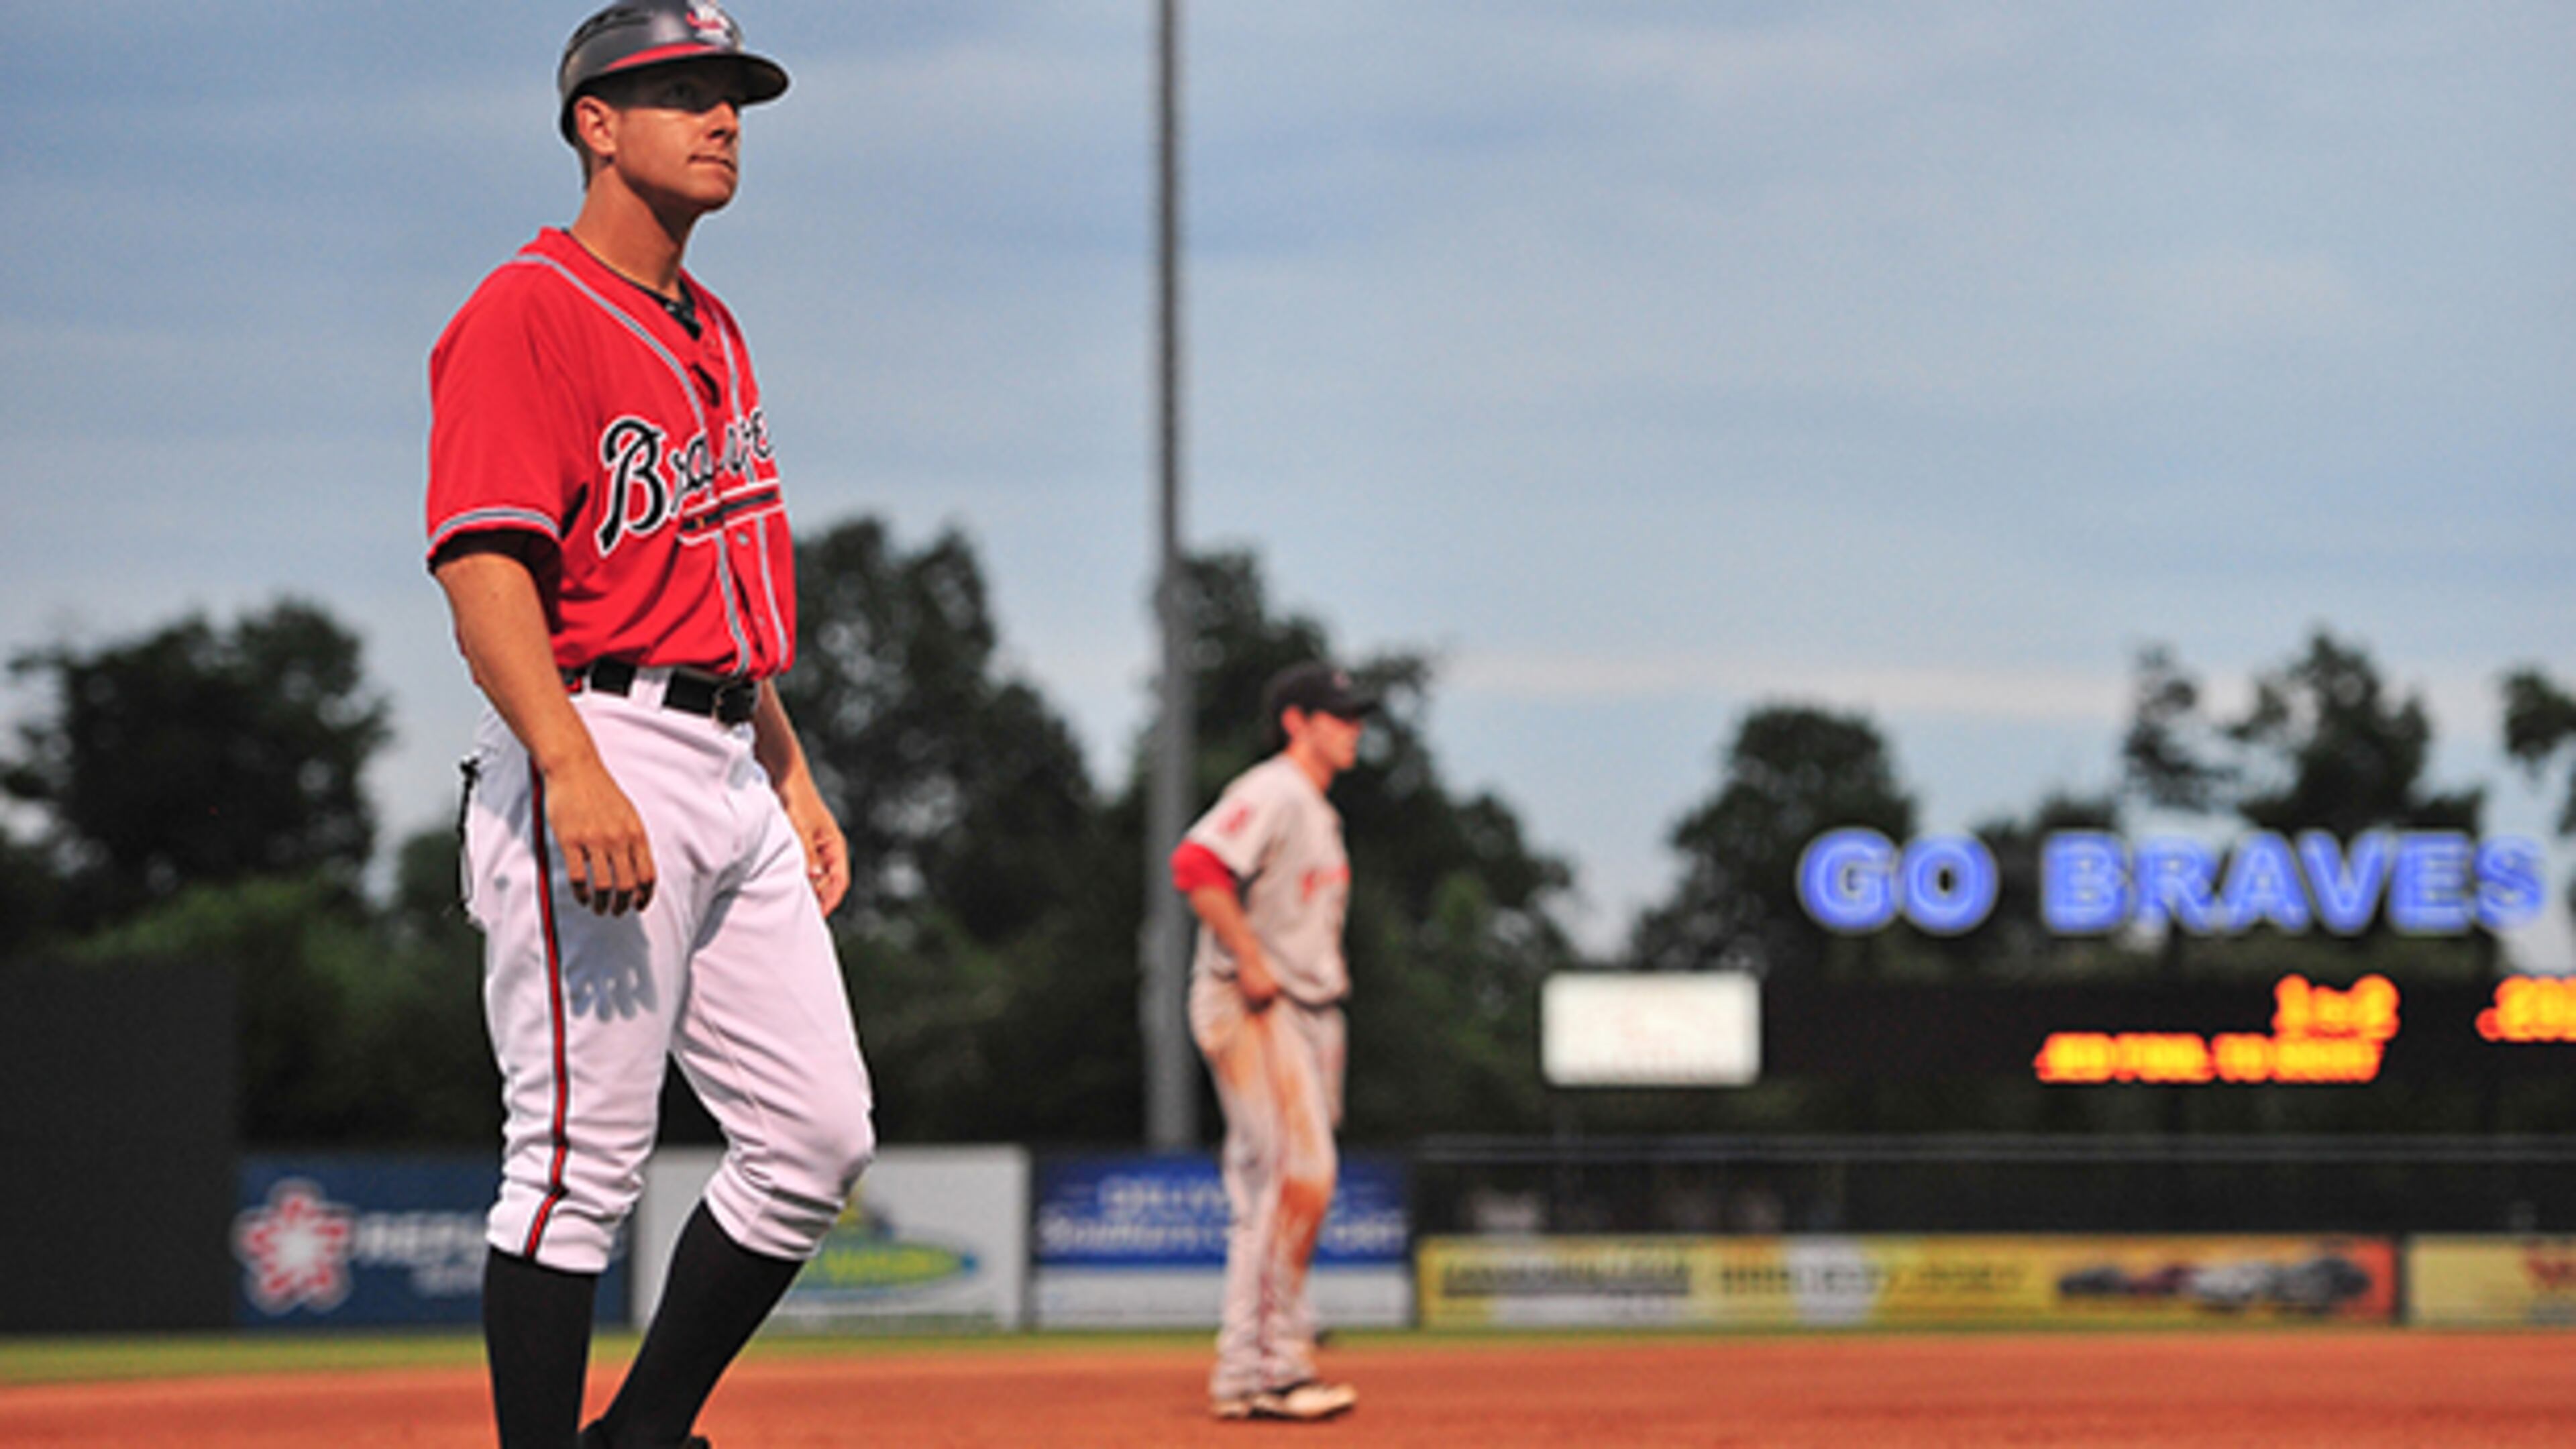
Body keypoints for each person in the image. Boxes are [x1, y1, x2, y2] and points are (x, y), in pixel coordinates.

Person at [423, 5, 873, 1446]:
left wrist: (791, 773)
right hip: (596, 745)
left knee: (817, 1138)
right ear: (594, 125)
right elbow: (486, 571)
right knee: (576, 1168)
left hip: (732, 755)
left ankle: (643, 1433)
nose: (723, 116)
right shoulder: (527, 309)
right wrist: (570, 765)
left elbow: (720, 576)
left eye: (732, 93)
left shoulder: (712, 326)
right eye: (681, 91)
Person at [1169, 662, 1376, 1422]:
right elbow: (1196, 864)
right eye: (1339, 715)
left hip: (1304, 1009)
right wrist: (1251, 960)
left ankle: (1254, 1367)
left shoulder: (1316, 809)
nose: (1353, 728)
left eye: (1356, 716)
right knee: (1300, 1174)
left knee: (1270, 1188)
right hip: (1256, 1000)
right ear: (1297, 720)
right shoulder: (1275, 790)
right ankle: (1270, 1367)